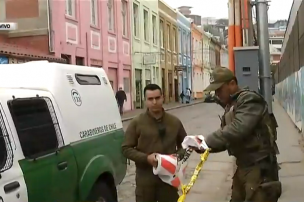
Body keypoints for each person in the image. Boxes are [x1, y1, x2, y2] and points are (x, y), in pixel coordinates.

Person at [198, 67, 281, 202]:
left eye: (219, 89)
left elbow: (238, 129)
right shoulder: (231, 105)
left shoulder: (249, 100)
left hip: (259, 168)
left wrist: (206, 141)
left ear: (232, 84)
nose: (217, 94)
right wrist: (203, 147)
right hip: (243, 167)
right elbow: (228, 139)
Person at [122, 84, 187, 202]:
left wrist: (177, 157)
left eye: (157, 98)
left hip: (169, 181)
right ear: (145, 101)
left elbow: (185, 145)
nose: (154, 102)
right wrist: (146, 158)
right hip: (145, 182)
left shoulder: (174, 122)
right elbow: (126, 148)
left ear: (162, 98)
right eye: (150, 99)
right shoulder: (137, 123)